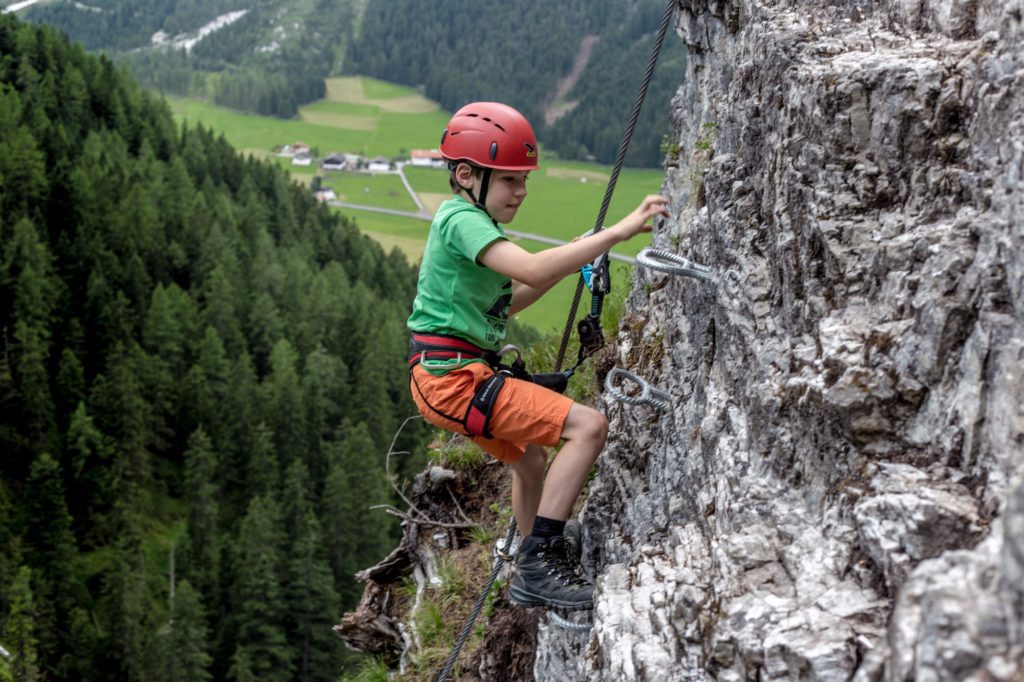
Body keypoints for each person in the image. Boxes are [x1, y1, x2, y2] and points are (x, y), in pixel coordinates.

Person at [407, 102, 668, 611]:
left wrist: (570, 261)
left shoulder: (465, 222)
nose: (521, 193)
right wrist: (612, 234)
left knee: (531, 461)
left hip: (446, 375)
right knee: (588, 427)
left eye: (524, 180)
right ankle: (540, 562)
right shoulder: (461, 219)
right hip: (454, 378)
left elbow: (509, 300)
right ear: (467, 175)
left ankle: (532, 556)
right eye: (509, 181)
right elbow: (527, 270)